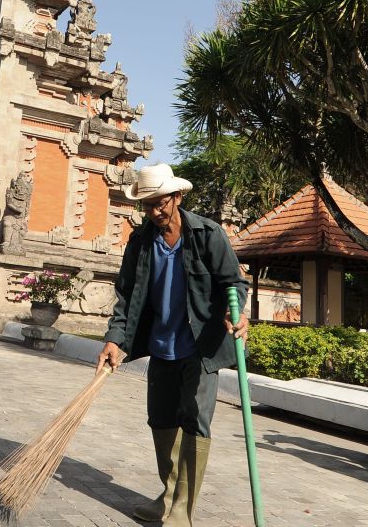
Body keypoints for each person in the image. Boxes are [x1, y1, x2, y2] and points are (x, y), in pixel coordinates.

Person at [95, 163, 249, 527]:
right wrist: (115, 339)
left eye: (160, 203)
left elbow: (235, 284)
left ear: (177, 197)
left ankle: (183, 508)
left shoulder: (208, 234)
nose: (153, 212)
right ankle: (168, 496)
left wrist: (237, 313)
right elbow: (127, 295)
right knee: (161, 420)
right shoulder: (140, 240)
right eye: (147, 205)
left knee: (195, 422)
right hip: (161, 345)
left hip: (201, 347)